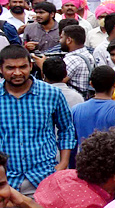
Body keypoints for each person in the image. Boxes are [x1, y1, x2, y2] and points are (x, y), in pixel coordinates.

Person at [0, 45, 76, 194]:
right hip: (6, 180)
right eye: (10, 68)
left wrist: (63, 163)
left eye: (23, 67)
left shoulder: (51, 93)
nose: (17, 73)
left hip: (44, 177)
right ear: (1, 69)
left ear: (31, 66)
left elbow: (66, 129)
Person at [71, 67, 115, 145]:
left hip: (83, 156)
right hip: (112, 157)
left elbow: (72, 141)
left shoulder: (75, 110)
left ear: (91, 84)